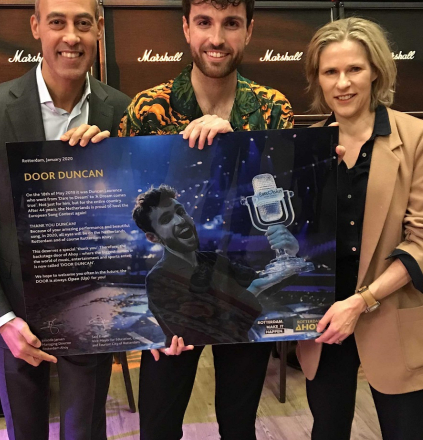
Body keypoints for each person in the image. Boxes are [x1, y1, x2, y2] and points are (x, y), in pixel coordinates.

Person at [0, 0, 130, 438]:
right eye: (57, 22)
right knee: (26, 431)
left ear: (99, 29)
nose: (71, 36)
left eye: (83, 23)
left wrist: (109, 167)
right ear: (35, 27)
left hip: (93, 307)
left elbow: (135, 217)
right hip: (15, 316)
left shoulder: (121, 112)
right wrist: (1, 319)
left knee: (85, 431)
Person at [118, 1, 294, 439]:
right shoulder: (148, 109)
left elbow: (281, 193)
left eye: (231, 23)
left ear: (248, 30)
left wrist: (242, 150)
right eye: (204, 22)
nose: (217, 38)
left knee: (239, 424)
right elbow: (127, 186)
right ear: (186, 27)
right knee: (158, 426)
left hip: (237, 277)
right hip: (175, 318)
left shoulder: (273, 108)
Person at [295, 17, 423, 440]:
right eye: (330, 71)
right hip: (326, 320)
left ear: (376, 72)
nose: (342, 83)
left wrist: (361, 301)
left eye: (354, 69)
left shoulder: (421, 139)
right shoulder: (306, 147)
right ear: (317, 78)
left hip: (394, 314)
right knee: (327, 429)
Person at [132, 184, 299, 345]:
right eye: (167, 219)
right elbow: (205, 333)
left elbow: (264, 283)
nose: (180, 220)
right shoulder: (159, 278)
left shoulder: (212, 259)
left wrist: (289, 255)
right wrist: (254, 289)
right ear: (152, 237)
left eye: (180, 212)